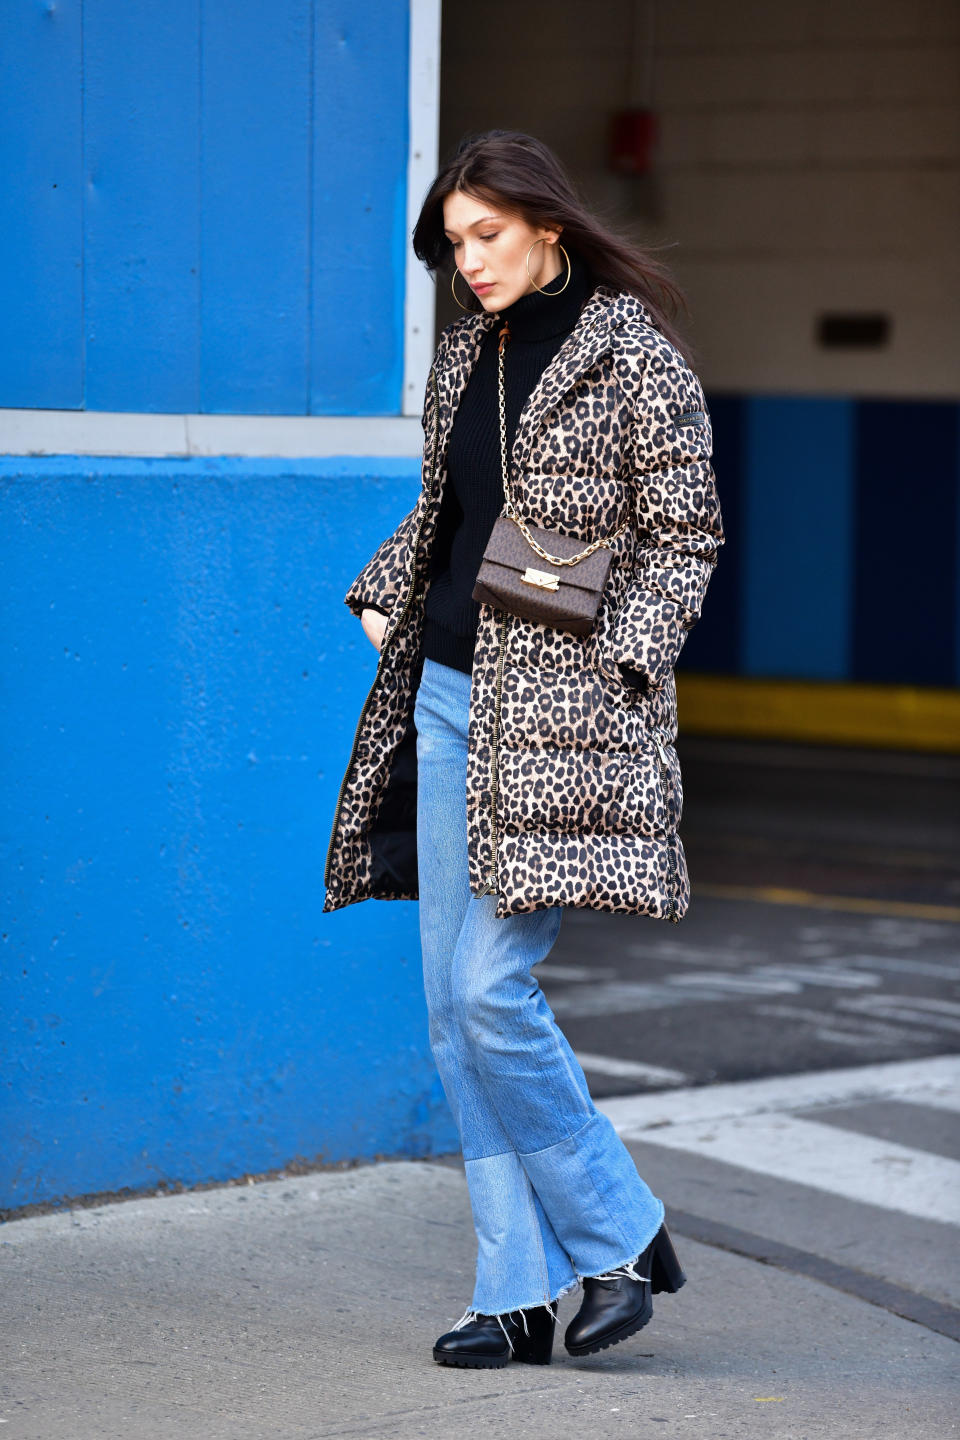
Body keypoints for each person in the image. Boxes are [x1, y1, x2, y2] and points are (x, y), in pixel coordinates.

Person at [323, 130, 724, 1368]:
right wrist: (385, 592)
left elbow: (686, 537)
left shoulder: (635, 363)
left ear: (549, 224)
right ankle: (511, 1291)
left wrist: (623, 665)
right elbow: (451, 515)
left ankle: (617, 1233)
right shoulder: (464, 361)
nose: (472, 264)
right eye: (454, 247)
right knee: (452, 1010)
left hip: (559, 722)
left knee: (491, 987)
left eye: (488, 236)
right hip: (442, 693)